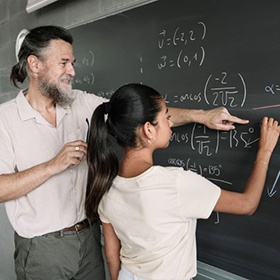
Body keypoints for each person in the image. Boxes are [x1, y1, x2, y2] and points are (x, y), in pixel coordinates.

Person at [0, 25, 248, 280]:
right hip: (43, 249)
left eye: (72, 63)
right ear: (35, 64)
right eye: (63, 63)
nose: (72, 71)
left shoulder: (80, 102)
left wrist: (202, 116)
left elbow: (140, 115)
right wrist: (52, 165)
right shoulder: (5, 120)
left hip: (89, 237)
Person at [85, 83, 280, 280]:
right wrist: (264, 152)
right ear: (149, 130)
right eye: (166, 117)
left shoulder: (105, 185)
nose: (170, 123)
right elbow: (247, 204)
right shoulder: (174, 183)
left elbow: (111, 255)